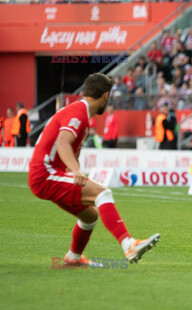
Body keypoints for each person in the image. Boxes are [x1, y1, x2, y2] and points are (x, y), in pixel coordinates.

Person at [28, 73, 160, 267]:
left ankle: (73, 258)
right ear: (105, 96)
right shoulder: (78, 113)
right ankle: (129, 245)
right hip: (45, 175)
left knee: (90, 215)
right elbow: (63, 142)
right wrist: (75, 171)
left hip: (48, 174)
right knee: (103, 193)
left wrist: (76, 170)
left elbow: (69, 148)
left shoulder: (79, 113)